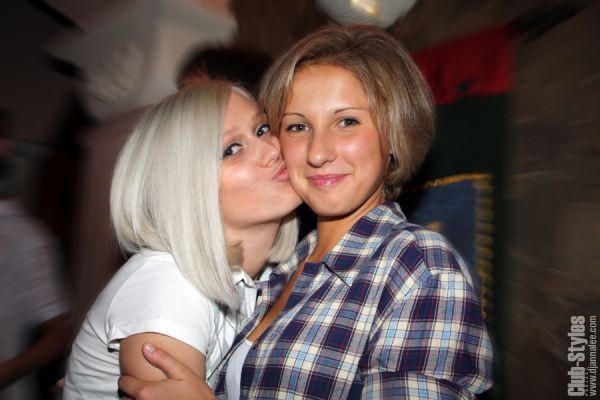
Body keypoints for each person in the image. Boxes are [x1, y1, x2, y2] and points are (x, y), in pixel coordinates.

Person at [119, 24, 493, 399]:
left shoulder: (419, 266)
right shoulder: (277, 272)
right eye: (297, 126)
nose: (317, 152)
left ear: (395, 133)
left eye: (347, 121)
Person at [62, 80, 301, 399]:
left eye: (262, 129)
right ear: (186, 186)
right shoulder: (170, 285)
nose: (273, 150)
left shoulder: (267, 275)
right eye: (231, 150)